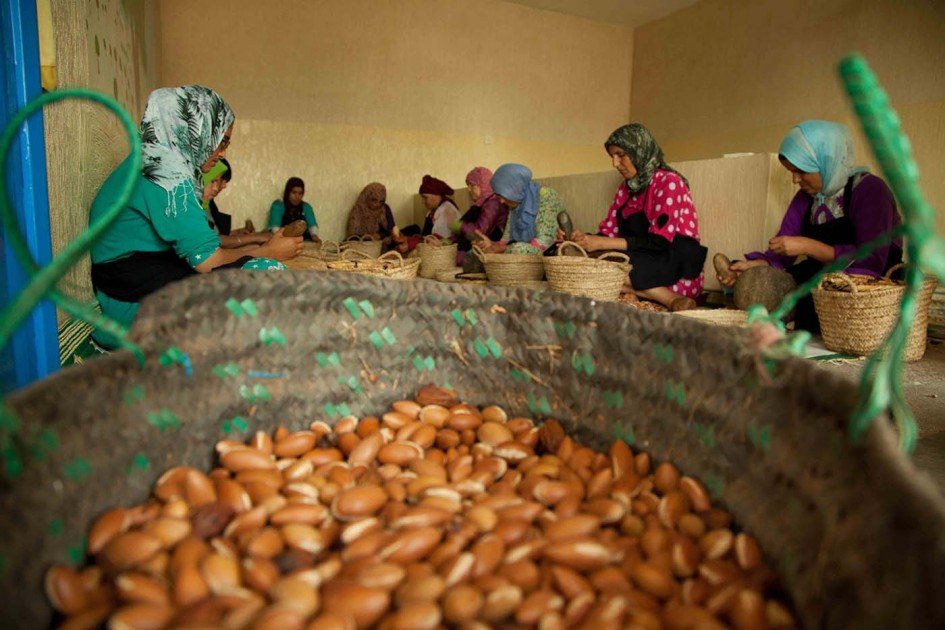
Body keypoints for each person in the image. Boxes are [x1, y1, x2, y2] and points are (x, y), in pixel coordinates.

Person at [88, 85, 302, 348]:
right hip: (128, 302)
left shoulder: (154, 161)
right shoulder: (164, 174)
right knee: (265, 275)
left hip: (136, 281)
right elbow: (210, 261)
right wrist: (269, 252)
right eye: (221, 141)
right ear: (196, 131)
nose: (223, 153)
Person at [717, 120, 902, 332]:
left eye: (802, 171)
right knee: (772, 281)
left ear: (826, 161)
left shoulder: (870, 189)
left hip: (868, 283)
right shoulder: (806, 197)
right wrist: (758, 265)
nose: (795, 180)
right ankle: (745, 286)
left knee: (818, 289)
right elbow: (782, 249)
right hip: (821, 275)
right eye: (791, 172)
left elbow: (872, 259)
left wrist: (807, 246)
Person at [561, 124, 706, 311]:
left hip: (674, 260)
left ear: (640, 151)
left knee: (605, 271)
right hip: (641, 257)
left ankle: (671, 299)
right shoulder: (625, 189)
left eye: (621, 155)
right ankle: (640, 293)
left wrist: (601, 243)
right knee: (581, 262)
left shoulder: (669, 182)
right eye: (612, 156)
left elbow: (660, 241)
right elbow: (608, 234)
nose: (615, 163)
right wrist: (582, 239)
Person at [476, 163, 564, 255]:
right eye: (499, 196)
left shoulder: (546, 195)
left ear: (514, 187)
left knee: (518, 249)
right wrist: (491, 244)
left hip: (547, 254)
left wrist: (502, 249)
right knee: (477, 252)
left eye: (504, 195)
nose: (501, 201)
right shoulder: (515, 201)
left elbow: (544, 243)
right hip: (520, 253)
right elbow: (506, 239)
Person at [201, 159, 269, 249]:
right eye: (214, 180)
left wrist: (236, 233)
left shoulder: (209, 204)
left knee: (254, 247)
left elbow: (214, 233)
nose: (222, 186)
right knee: (255, 247)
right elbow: (209, 241)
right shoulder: (190, 204)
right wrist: (254, 237)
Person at [454, 166, 508, 263]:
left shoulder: (494, 202)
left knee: (457, 258)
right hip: (477, 244)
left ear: (483, 184)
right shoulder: (480, 203)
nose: (469, 190)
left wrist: (458, 225)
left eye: (472, 185)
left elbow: (479, 232)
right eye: (468, 186)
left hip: (490, 245)